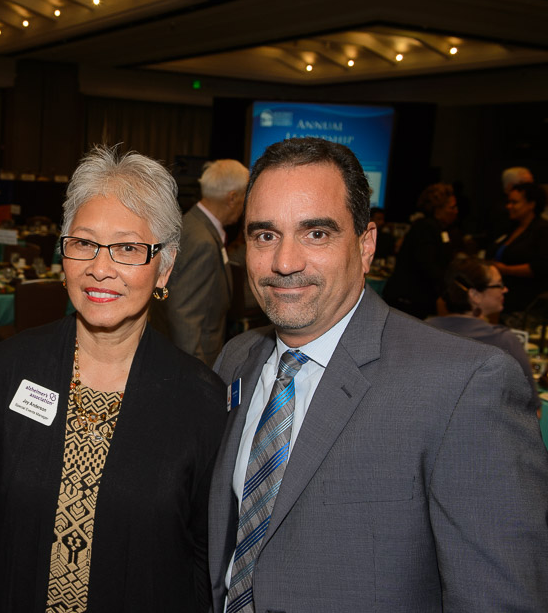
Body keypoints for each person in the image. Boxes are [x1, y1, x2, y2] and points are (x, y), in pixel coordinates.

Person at [209, 137, 548, 612]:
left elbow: (500, 599)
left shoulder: (465, 386)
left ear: (366, 245)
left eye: (316, 233)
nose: (284, 262)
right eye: (265, 235)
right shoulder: (236, 359)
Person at [0, 146, 227, 612]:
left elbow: (202, 560)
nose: (100, 268)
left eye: (128, 248)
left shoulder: (201, 400)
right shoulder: (10, 368)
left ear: (165, 267)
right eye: (84, 243)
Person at [151, 158, 248, 365]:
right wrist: (196, 373)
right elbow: (185, 316)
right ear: (232, 197)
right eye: (244, 197)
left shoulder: (191, 223)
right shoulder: (203, 241)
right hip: (195, 358)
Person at [427, 256, 538, 409]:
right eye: (499, 285)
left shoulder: (424, 328)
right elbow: (531, 409)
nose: (505, 289)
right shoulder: (503, 341)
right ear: (475, 295)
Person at [382, 182, 460, 318]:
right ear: (438, 209)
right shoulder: (425, 228)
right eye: (452, 207)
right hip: (409, 300)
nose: (456, 211)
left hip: (418, 299)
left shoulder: (440, 229)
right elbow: (428, 265)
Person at [490, 181, 548, 318]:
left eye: (514, 202)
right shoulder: (512, 227)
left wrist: (506, 269)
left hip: (525, 302)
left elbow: (541, 266)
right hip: (504, 298)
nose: (509, 206)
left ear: (531, 204)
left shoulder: (542, 230)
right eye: (509, 202)